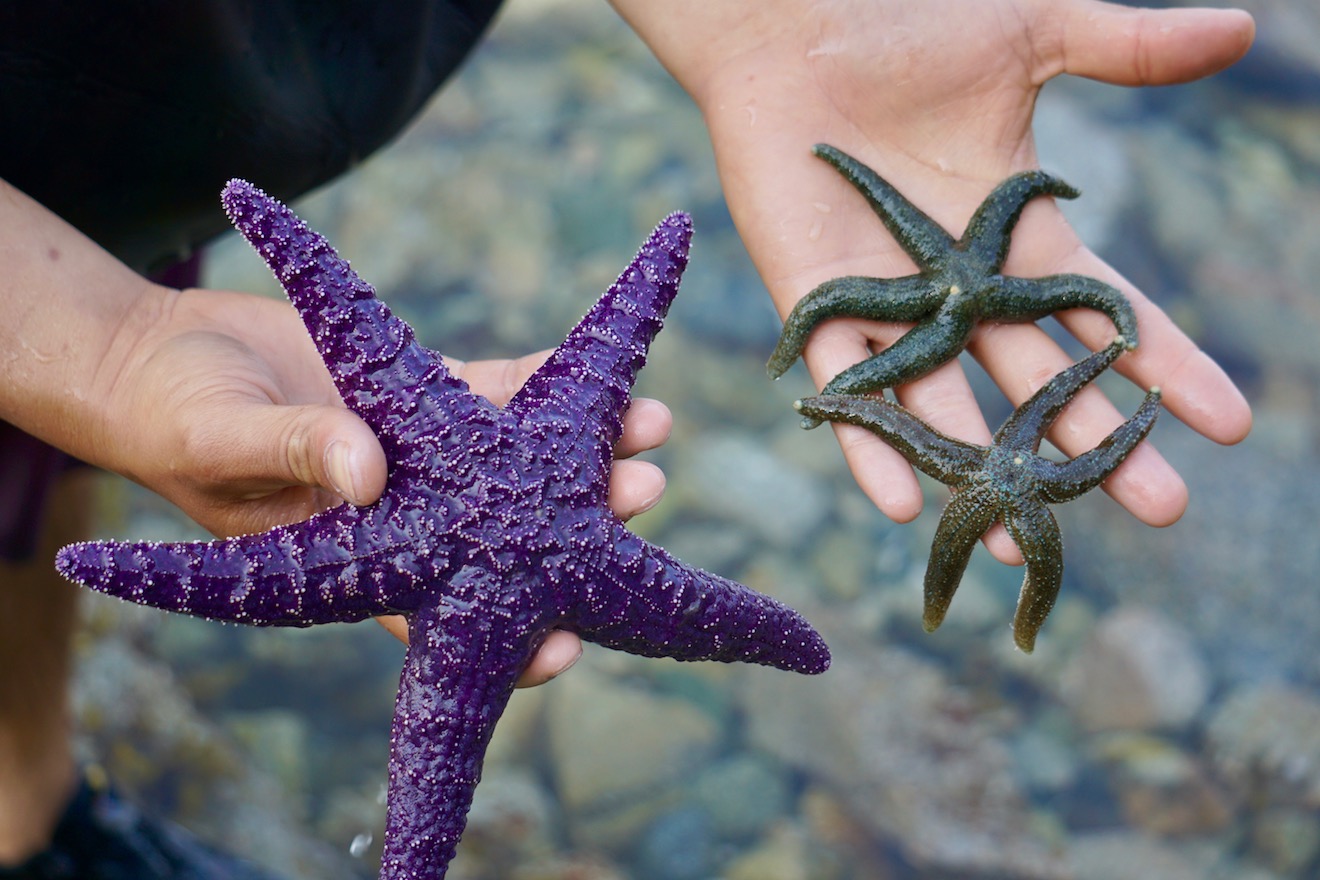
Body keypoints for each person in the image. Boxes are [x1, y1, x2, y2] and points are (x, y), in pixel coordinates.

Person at [0, 0, 1254, 875]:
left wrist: (761, 21)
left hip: (132, 149)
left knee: (40, 484)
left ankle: (40, 806)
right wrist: (98, 347)